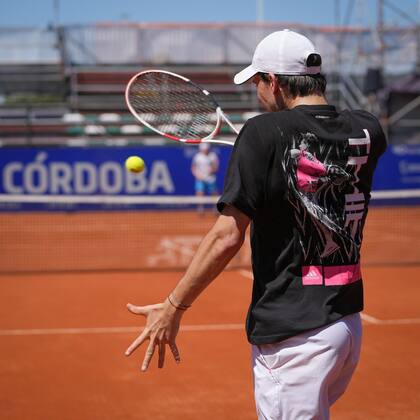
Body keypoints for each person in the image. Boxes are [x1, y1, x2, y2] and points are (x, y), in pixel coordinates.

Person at [125, 29, 387, 419]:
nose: (256, 93)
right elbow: (318, 151)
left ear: (275, 82)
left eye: (258, 82)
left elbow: (227, 237)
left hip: (294, 333)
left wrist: (173, 306)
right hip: (346, 326)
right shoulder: (367, 129)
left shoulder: (262, 134)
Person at [191, 143, 219, 213]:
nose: (205, 150)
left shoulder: (212, 156)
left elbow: (216, 166)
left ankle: (215, 208)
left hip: (210, 178)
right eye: (203, 149)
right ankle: (200, 208)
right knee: (200, 192)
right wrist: (197, 175)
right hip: (200, 178)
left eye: (206, 149)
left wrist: (212, 170)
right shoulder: (197, 156)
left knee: (213, 193)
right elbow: (193, 167)